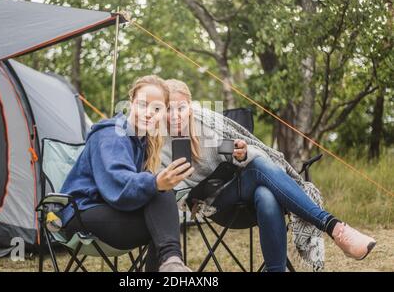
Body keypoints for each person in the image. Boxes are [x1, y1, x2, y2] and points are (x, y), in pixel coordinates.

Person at [160, 79, 376, 272]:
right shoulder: (159, 140)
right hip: (211, 204)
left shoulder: (204, 126)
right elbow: (167, 188)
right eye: (169, 108)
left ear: (190, 107)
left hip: (236, 188)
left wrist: (242, 152)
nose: (176, 114)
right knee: (258, 170)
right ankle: (334, 227)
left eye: (181, 107)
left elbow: (231, 152)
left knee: (265, 193)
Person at [60, 75, 194, 272]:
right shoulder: (112, 134)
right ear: (131, 103)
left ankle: (171, 262)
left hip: (111, 209)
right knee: (160, 213)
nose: (149, 113)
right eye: (142, 105)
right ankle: (171, 262)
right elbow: (118, 183)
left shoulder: (142, 141)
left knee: (162, 204)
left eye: (157, 108)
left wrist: (158, 185)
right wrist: (156, 182)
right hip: (82, 212)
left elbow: (135, 192)